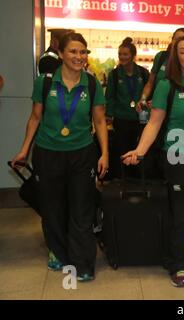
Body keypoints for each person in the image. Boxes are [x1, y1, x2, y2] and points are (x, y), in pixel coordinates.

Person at [122, 35, 184, 288]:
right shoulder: (167, 85)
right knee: (181, 215)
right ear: (175, 58)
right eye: (182, 52)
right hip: (179, 158)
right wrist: (140, 150)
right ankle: (177, 262)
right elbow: (154, 122)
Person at [12, 32, 108, 281]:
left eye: (83, 52)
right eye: (73, 51)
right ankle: (57, 251)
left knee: (81, 209)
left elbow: (98, 120)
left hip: (81, 154)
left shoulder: (92, 83)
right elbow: (35, 118)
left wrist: (105, 154)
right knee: (52, 207)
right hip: (48, 153)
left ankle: (83, 263)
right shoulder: (44, 83)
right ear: (62, 54)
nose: (79, 56)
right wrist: (24, 149)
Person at [105, 37, 150, 179]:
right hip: (121, 119)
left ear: (133, 55)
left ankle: (138, 178)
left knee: (139, 150)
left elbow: (149, 95)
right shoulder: (114, 74)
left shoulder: (143, 73)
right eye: (120, 54)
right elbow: (110, 96)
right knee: (122, 149)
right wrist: (109, 115)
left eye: (125, 54)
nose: (122, 57)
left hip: (140, 120)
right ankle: (122, 178)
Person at [137, 28, 184, 108]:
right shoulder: (161, 57)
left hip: (178, 111)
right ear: (172, 40)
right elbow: (150, 83)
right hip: (155, 110)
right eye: (177, 39)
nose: (180, 42)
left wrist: (161, 101)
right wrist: (143, 99)